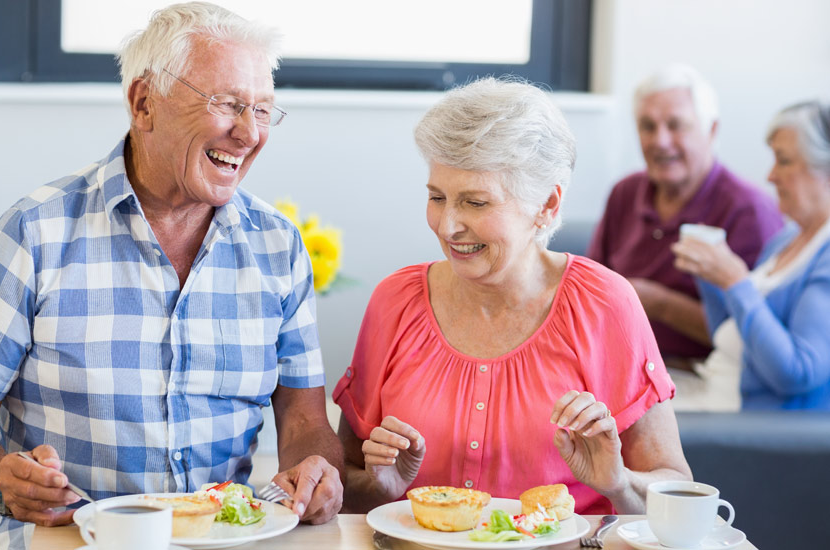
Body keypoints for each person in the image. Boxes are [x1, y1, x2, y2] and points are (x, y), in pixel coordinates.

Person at [0, 3, 343, 548]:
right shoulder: (34, 232)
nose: (248, 133)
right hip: (69, 537)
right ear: (144, 103)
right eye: (226, 104)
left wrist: (315, 471)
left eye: (263, 110)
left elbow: (304, 420)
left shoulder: (278, 245)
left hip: (220, 536)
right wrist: (2, 479)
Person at [333, 77, 692, 515]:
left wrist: (619, 483)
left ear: (548, 206)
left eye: (476, 203)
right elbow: (345, 481)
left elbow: (675, 490)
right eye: (437, 197)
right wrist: (378, 488)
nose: (447, 226)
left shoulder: (605, 304)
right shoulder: (395, 301)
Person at [587, 64, 782, 369]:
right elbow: (591, 291)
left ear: (711, 130)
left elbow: (760, 336)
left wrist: (659, 304)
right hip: (617, 366)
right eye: (647, 127)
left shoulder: (749, 210)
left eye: (676, 125)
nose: (660, 141)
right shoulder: (625, 192)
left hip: (700, 373)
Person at [672, 100, 830, 410]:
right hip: (716, 390)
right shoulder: (786, 239)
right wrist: (710, 276)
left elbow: (797, 372)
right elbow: (730, 335)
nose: (770, 176)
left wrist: (735, 281)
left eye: (783, 161)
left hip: (747, 422)